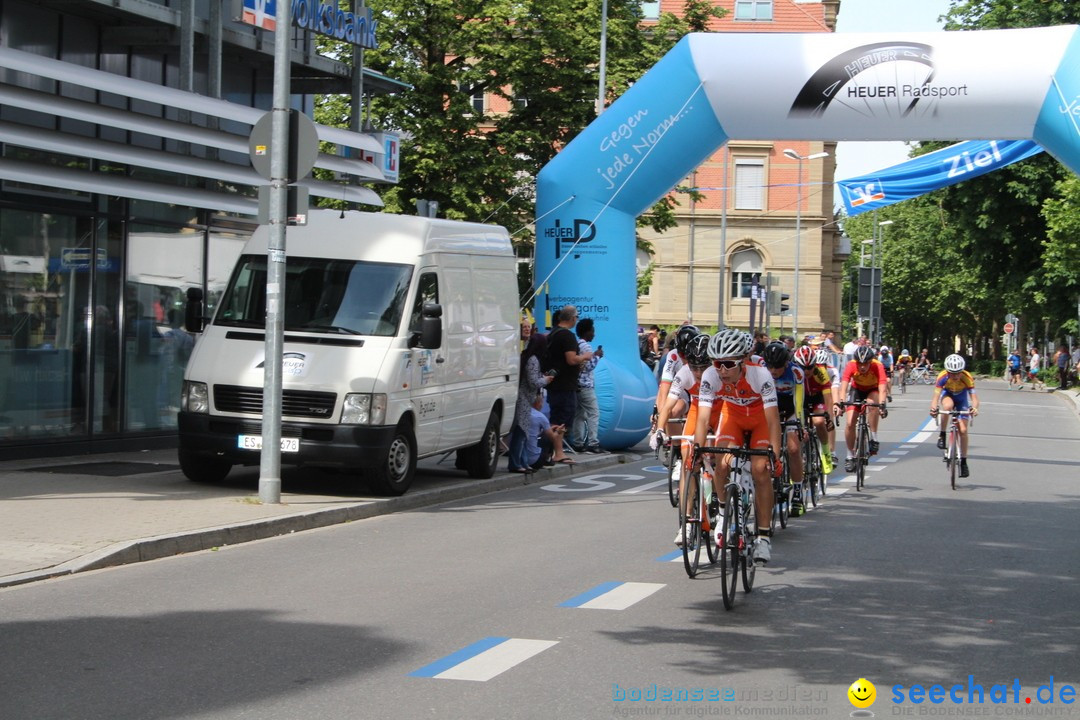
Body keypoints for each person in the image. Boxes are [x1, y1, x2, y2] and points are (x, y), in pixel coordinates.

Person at [694, 328, 782, 565]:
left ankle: (763, 537)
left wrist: (776, 453)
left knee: (760, 469)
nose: (721, 370)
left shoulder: (760, 375)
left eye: (728, 364)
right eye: (717, 363)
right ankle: (723, 511)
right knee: (720, 462)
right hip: (732, 417)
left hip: (759, 421)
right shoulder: (710, 376)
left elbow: (773, 419)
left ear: (742, 361)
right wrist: (697, 448)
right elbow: (702, 419)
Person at [651, 333, 722, 547]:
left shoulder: (721, 373)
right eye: (694, 367)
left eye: (704, 367)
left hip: (721, 412)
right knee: (687, 463)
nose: (699, 373)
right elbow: (669, 404)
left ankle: (721, 503)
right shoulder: (683, 373)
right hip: (697, 411)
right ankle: (688, 522)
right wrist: (659, 429)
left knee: (722, 458)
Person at [762, 342, 808, 516]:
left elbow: (798, 401)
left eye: (778, 367)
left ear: (786, 364)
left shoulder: (796, 372)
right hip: (769, 409)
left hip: (789, 410)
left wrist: (800, 425)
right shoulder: (762, 370)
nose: (773, 371)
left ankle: (797, 493)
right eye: (770, 366)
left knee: (793, 448)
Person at [836, 345, 888, 473]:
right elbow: (843, 386)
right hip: (856, 390)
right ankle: (850, 456)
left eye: (866, 364)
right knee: (849, 422)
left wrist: (882, 404)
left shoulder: (877, 366)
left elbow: (882, 387)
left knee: (871, 404)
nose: (862, 366)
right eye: (860, 364)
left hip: (873, 390)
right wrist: (840, 402)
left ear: (870, 362)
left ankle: (874, 437)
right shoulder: (851, 365)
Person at [546, 305, 594, 437]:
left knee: (556, 418)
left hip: (554, 383)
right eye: (577, 317)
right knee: (563, 420)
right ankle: (555, 450)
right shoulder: (567, 335)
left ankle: (553, 451)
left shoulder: (553, 333)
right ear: (573, 318)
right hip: (565, 385)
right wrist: (585, 356)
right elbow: (571, 359)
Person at [509, 333, 554, 473]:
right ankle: (516, 464)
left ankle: (522, 462)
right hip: (524, 399)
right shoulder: (534, 360)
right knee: (521, 433)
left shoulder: (527, 357)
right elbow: (533, 382)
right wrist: (546, 380)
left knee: (522, 433)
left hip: (523, 398)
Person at [930, 354, 980, 478]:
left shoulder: (967, 377)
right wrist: (933, 408)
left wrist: (974, 408)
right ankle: (942, 434)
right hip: (948, 395)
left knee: (963, 430)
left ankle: (963, 461)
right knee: (947, 407)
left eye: (958, 373)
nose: (956, 376)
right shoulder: (942, 377)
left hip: (962, 398)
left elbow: (974, 398)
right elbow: (936, 397)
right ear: (947, 371)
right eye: (952, 373)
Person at [793, 345, 836, 476]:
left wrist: (828, 417)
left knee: (818, 421)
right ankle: (798, 461)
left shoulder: (820, 372)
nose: (806, 371)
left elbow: (828, 397)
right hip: (801, 399)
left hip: (817, 398)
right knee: (797, 429)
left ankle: (826, 454)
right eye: (803, 367)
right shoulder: (793, 372)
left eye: (810, 367)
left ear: (815, 365)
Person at [652, 324, 699, 437]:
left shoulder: (703, 355)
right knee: (671, 412)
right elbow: (664, 388)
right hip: (683, 390)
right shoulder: (672, 356)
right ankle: (676, 447)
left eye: (686, 354)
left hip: (699, 391)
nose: (683, 357)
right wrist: (660, 415)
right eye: (680, 353)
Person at [571, 318, 605, 453]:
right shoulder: (586, 347)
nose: (594, 334)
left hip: (577, 385)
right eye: (592, 331)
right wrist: (597, 356)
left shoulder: (577, 344)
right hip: (586, 386)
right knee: (594, 413)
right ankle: (593, 442)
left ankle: (578, 442)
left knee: (579, 414)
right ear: (587, 332)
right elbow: (589, 366)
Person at [523, 392, 569, 470]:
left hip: (521, 459)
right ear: (538, 404)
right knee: (547, 437)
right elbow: (552, 437)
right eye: (542, 403)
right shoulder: (540, 416)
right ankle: (547, 459)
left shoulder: (522, 414)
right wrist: (558, 432)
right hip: (535, 461)